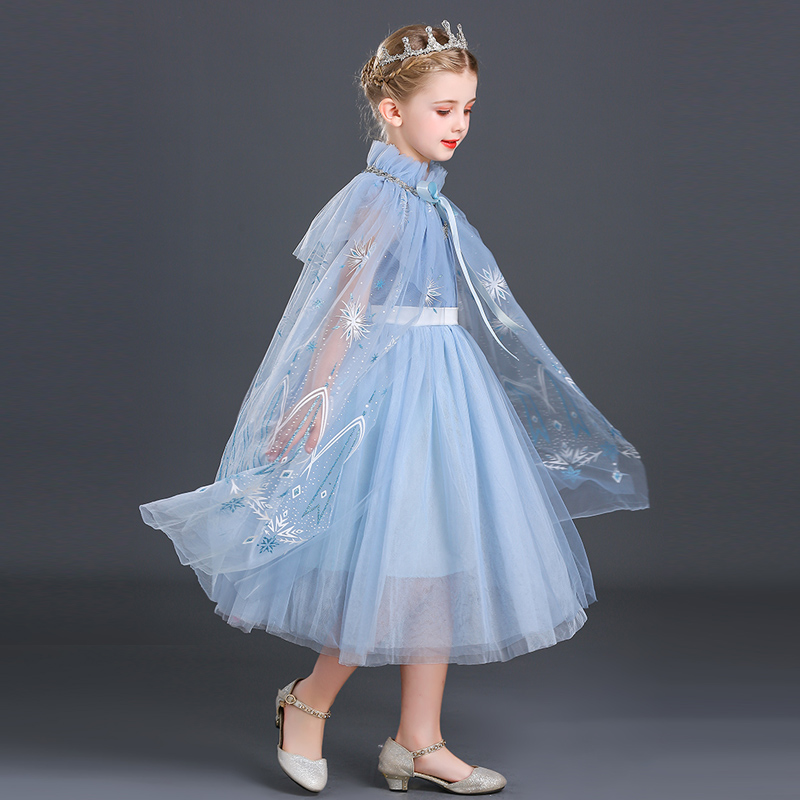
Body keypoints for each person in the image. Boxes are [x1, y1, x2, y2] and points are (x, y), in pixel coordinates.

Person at [139, 20, 649, 794]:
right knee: (397, 563)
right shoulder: (377, 199)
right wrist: (316, 397)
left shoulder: (433, 203)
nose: (459, 125)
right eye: (444, 109)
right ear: (391, 110)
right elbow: (341, 308)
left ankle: (418, 739)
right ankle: (307, 700)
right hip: (394, 389)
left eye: (468, 109)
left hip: (446, 385)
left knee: (439, 561)